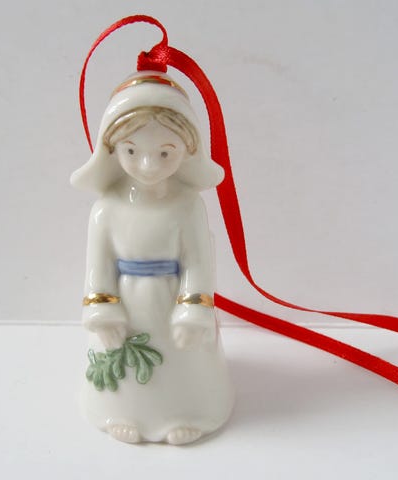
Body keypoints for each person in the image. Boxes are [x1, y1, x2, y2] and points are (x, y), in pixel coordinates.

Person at [71, 71, 234, 445]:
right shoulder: (105, 210)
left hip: (173, 300)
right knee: (124, 362)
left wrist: (193, 309)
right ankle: (120, 412)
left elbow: (198, 262)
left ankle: (189, 413)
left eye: (165, 153)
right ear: (112, 149)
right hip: (127, 304)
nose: (148, 165)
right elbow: (98, 268)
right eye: (132, 151)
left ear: (187, 150)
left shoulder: (188, 206)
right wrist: (103, 311)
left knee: (183, 359)